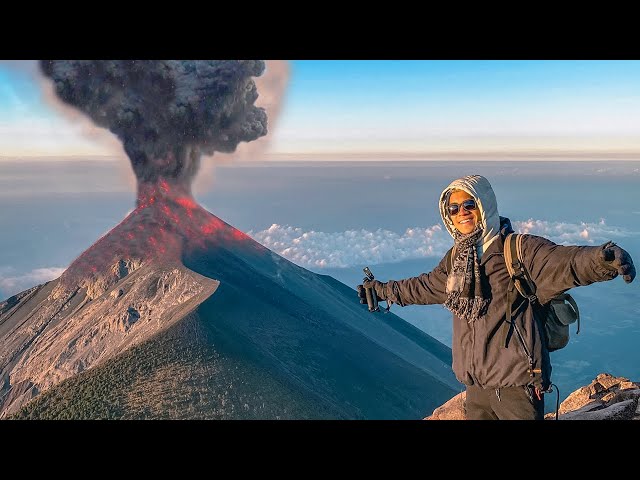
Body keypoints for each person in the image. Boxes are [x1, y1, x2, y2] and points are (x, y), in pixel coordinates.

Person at [357, 175, 636, 420]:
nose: (461, 213)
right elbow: (427, 286)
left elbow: (564, 262)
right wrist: (382, 291)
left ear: (483, 205)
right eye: (453, 208)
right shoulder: (458, 258)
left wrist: (602, 259)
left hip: (516, 386)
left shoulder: (517, 250)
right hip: (476, 387)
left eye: (469, 205)